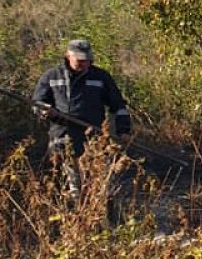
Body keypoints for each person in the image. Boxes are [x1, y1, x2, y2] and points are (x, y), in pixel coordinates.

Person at [32, 39, 132, 201]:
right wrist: (45, 110)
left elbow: (118, 105)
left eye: (86, 59)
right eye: (79, 60)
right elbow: (37, 103)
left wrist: (124, 130)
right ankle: (75, 212)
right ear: (68, 56)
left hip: (94, 139)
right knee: (73, 187)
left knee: (101, 187)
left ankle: (101, 212)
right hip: (63, 140)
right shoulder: (51, 76)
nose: (83, 63)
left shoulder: (101, 77)